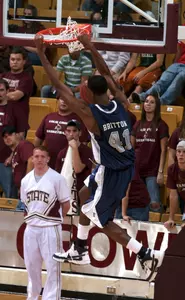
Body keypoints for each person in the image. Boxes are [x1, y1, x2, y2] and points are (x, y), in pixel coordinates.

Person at [35, 33, 164, 280]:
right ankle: (79, 249)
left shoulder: (90, 115)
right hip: (118, 166)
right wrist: (90, 46)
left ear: (88, 95)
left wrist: (41, 53)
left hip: (112, 171)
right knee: (83, 196)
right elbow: (106, 71)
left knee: (101, 219)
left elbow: (59, 86)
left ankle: (144, 252)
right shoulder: (122, 101)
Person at [20, 145, 70, 300]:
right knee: (32, 268)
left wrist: (55, 219)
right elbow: (25, 203)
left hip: (50, 228)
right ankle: (32, 297)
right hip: (30, 228)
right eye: (36, 156)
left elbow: (66, 204)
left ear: (48, 158)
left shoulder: (57, 178)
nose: (39, 159)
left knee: (53, 268)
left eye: (43, 156)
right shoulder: (25, 180)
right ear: (32, 158)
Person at [131, 94, 169, 212]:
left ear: (157, 106)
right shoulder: (137, 124)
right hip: (137, 171)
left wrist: (160, 172)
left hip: (152, 172)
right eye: (146, 101)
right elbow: (131, 148)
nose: (148, 104)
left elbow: (164, 150)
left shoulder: (161, 125)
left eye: (152, 102)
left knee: (154, 205)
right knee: (139, 205)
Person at [34, 97, 89, 169]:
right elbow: (38, 140)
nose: (64, 102)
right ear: (57, 101)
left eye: (66, 99)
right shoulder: (49, 117)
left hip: (68, 164)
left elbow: (83, 144)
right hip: (48, 164)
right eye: (61, 99)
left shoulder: (78, 119)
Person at [55, 119, 93, 212]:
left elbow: (78, 169)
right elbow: (57, 177)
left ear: (80, 133)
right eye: (68, 131)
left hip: (81, 198)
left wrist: (75, 148)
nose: (71, 134)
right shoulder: (62, 153)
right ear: (65, 133)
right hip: (66, 198)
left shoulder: (87, 151)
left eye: (74, 131)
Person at [0, 79, 29, 198]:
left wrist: (12, 156)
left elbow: (21, 136)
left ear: (7, 91)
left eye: (1, 90)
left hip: (6, 160)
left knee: (9, 195)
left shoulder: (16, 110)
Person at [132, 41, 185, 105]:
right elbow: (177, 45)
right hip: (178, 64)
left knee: (178, 80)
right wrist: (174, 64)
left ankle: (162, 102)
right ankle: (144, 97)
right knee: (164, 79)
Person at [1, 46, 33, 132]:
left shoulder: (27, 78)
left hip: (19, 122)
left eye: (18, 60)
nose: (15, 62)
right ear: (9, 61)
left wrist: (2, 96)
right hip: (3, 118)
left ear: (24, 62)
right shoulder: (3, 76)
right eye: (12, 59)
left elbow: (15, 96)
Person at [164, 141, 185, 230]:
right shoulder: (172, 169)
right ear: (175, 153)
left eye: (184, 152)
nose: (181, 154)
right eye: (179, 151)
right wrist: (171, 218)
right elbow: (173, 195)